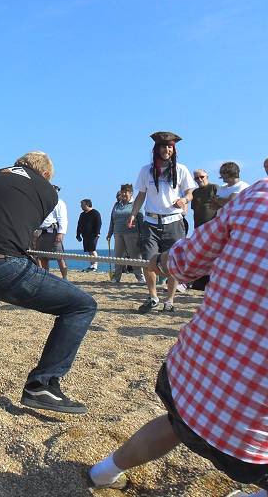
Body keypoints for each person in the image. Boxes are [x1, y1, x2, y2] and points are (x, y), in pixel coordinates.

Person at [88, 180, 268, 494]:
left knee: (176, 424)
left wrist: (160, 262)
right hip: (253, 432)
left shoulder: (258, 196)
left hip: (190, 379)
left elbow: (185, 262)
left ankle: (103, 472)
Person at [0, 151, 97, 414]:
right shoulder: (48, 192)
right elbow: (29, 228)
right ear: (46, 174)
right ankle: (42, 384)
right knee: (82, 306)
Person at [128, 131, 194, 314]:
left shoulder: (181, 169)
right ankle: (153, 297)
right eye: (163, 146)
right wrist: (133, 214)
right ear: (156, 149)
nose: (167, 150)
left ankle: (170, 300)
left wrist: (184, 200)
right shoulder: (146, 170)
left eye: (170, 147)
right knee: (149, 261)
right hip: (151, 222)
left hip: (174, 221)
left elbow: (190, 193)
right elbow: (141, 195)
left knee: (173, 262)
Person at [106, 184, 145, 283]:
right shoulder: (117, 205)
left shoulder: (135, 204)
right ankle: (116, 277)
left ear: (131, 193)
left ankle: (140, 277)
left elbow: (141, 219)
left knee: (135, 256)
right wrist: (110, 233)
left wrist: (142, 234)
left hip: (132, 234)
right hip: (118, 233)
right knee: (118, 256)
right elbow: (112, 219)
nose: (123, 194)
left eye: (125, 192)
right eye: (122, 192)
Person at [189, 170, 217, 290]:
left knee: (213, 256)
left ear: (207, 176)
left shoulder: (214, 188)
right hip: (199, 229)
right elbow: (194, 210)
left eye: (202, 177)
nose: (199, 179)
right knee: (200, 256)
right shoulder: (195, 192)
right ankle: (199, 282)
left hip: (213, 229)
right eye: (196, 178)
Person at [34, 187, 69, 280]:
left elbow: (63, 218)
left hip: (53, 232)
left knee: (59, 256)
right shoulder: (42, 201)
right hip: (41, 232)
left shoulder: (59, 202)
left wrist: (61, 233)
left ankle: (65, 278)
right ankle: (46, 277)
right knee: (42, 256)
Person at [76, 199, 102, 272]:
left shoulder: (95, 213)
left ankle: (95, 266)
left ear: (87, 205)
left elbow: (99, 223)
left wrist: (97, 233)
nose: (81, 206)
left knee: (92, 249)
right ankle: (92, 265)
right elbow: (79, 225)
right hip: (85, 235)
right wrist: (78, 234)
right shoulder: (82, 214)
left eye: (82, 205)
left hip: (93, 234)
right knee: (89, 250)